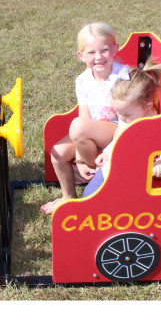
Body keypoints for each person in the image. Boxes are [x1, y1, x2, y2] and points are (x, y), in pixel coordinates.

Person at [40, 22, 130, 216]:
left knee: (78, 126)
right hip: (91, 133)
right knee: (58, 153)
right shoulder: (82, 80)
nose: (98, 57)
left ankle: (92, 170)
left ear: (115, 48)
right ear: (81, 56)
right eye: (91, 53)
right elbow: (84, 116)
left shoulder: (124, 76)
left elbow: (127, 117)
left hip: (120, 131)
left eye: (105, 50)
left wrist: (83, 160)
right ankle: (68, 197)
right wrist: (80, 156)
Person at [83, 57, 161, 197]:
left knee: (120, 199)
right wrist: (107, 153)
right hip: (112, 168)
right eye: (117, 111)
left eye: (126, 114)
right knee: (88, 194)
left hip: (135, 175)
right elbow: (118, 139)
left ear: (147, 106)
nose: (121, 117)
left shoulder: (154, 124)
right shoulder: (126, 118)